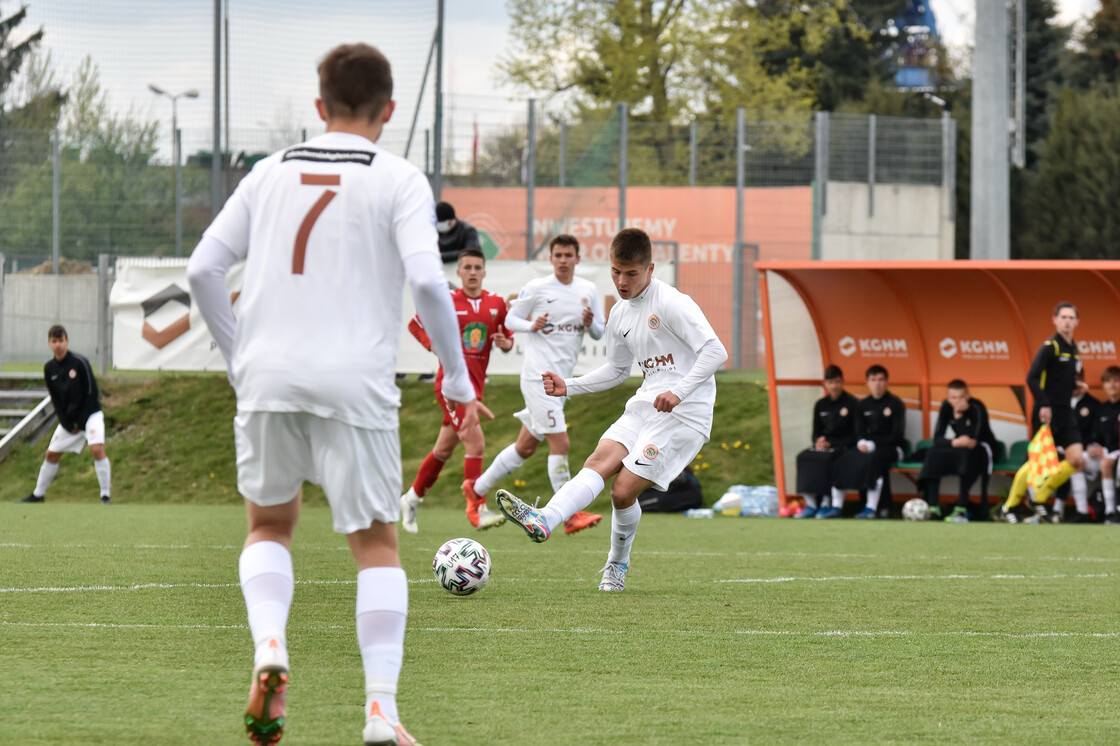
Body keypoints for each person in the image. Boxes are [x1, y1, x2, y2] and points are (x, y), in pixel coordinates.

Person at [186, 43, 474, 746]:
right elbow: (431, 283)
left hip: (268, 376)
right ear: (390, 111)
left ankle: (271, 650)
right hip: (355, 381)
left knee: (269, 528)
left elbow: (202, 271)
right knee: (375, 545)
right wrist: (458, 378)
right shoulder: (399, 178)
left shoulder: (268, 173)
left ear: (319, 108)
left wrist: (237, 358)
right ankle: (381, 711)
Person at [494, 227, 728, 592]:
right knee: (597, 462)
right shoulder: (619, 313)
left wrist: (680, 392)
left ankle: (616, 565)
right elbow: (617, 372)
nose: (622, 281)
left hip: (686, 413)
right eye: (616, 272)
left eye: (631, 273)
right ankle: (546, 518)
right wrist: (568, 384)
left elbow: (716, 352)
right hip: (646, 403)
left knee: (622, 492)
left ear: (650, 269)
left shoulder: (672, 302)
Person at [466, 234, 606, 536]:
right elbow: (510, 318)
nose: (564, 260)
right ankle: (570, 514)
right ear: (551, 258)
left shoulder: (588, 289)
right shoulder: (539, 288)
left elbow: (599, 332)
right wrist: (532, 325)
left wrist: (590, 321)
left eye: (569, 255)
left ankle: (476, 488)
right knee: (561, 443)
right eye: (558, 255)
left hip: (561, 382)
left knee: (526, 446)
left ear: (578, 259)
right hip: (537, 378)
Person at [399, 248, 513, 533]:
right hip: (449, 385)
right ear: (459, 272)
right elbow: (415, 324)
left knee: (443, 449)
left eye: (477, 267)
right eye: (467, 267)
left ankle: (411, 497)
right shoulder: (447, 301)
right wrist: (431, 344)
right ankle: (477, 508)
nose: (472, 272)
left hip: (475, 388)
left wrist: (505, 343)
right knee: (476, 444)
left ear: (484, 272)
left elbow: (508, 338)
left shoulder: (497, 303)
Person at [998, 302, 1087, 524]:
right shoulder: (1051, 346)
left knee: (1077, 460)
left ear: (1077, 322)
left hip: (1066, 412)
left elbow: (1061, 379)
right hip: (1046, 411)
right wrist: (1044, 404)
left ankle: (1038, 498)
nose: (1067, 321)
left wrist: (1076, 387)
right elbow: (1032, 378)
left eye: (1071, 317)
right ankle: (1009, 506)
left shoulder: (1073, 348)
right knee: (1038, 462)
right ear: (1055, 320)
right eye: (1063, 317)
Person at [15, 324, 112, 505]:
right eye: (54, 341)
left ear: (67, 341)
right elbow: (56, 400)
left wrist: (81, 422)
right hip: (70, 421)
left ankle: (105, 496)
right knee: (51, 454)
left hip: (90, 415)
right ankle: (38, 495)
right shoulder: (49, 368)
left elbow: (92, 392)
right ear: (49, 343)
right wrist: (67, 424)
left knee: (97, 449)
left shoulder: (79, 362)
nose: (58, 344)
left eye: (61, 340)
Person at [828, 365, 906, 519]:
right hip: (867, 447)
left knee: (875, 459)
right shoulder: (862, 405)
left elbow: (897, 435)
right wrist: (861, 443)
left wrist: (873, 444)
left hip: (893, 448)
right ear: (867, 382)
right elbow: (859, 432)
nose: (877, 383)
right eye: (873, 380)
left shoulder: (896, 403)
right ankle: (837, 506)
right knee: (844, 458)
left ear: (887, 382)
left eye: (881, 379)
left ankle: (874, 508)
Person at [916, 379, 997, 523]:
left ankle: (961, 506)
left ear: (968, 395)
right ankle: (933, 506)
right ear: (948, 398)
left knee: (966, 456)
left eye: (961, 397)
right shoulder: (946, 406)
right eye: (953, 398)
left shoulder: (977, 407)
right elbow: (938, 438)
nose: (957, 401)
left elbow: (972, 440)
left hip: (983, 449)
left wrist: (959, 417)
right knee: (933, 453)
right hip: (960, 446)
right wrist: (953, 442)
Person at [793, 365, 859, 519]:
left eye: (837, 382)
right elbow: (816, 432)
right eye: (830, 382)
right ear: (825, 384)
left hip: (843, 446)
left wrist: (835, 444)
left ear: (842, 382)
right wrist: (818, 442)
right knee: (803, 457)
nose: (834, 386)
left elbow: (856, 434)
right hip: (824, 446)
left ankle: (826, 503)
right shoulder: (820, 405)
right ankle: (810, 504)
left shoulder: (852, 403)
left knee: (829, 460)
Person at [1052, 385, 1100, 521]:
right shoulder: (1058, 404)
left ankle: (1076, 510)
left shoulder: (1093, 404)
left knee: (1072, 460)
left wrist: (1089, 447)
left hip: (1086, 453)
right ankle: (1040, 507)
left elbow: (1095, 434)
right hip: (1061, 450)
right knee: (1036, 459)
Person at [1087, 366, 1120, 524]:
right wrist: (1092, 447)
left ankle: (1111, 511)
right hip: (1104, 453)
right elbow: (1095, 435)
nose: (1112, 385)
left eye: (1116, 381)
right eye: (1108, 381)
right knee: (1077, 460)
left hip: (1115, 453)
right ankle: (1081, 510)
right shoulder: (1101, 408)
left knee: (1107, 463)